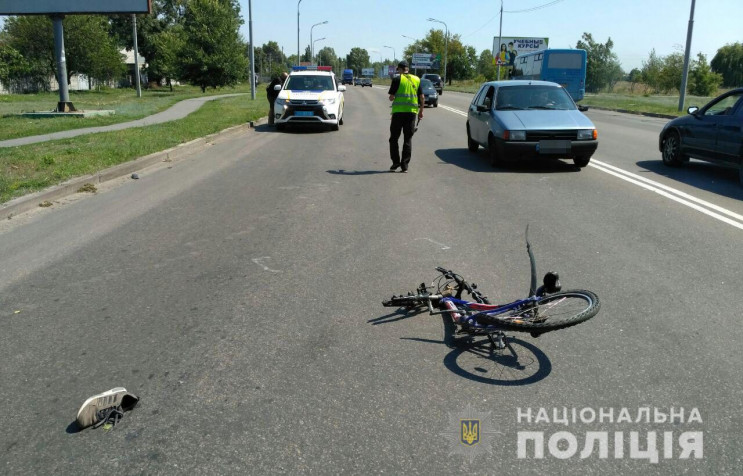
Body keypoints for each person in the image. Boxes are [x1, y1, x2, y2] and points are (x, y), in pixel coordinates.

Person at [387, 61, 424, 173]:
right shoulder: (417, 79)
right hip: (411, 113)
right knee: (407, 139)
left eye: (398, 69)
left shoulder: (397, 79)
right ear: (407, 68)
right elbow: (422, 97)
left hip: (398, 113)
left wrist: (394, 96)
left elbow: (391, 98)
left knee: (394, 139)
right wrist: (421, 111)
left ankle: (395, 162)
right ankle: (405, 165)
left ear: (400, 69)